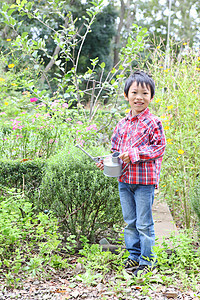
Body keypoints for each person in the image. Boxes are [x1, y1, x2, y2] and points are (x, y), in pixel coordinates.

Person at [96, 70, 166, 277]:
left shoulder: (154, 122)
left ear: (151, 97)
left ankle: (147, 261)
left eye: (145, 93)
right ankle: (133, 256)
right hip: (124, 181)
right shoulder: (121, 124)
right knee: (130, 222)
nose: (139, 97)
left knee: (144, 223)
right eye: (134, 92)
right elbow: (115, 153)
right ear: (126, 95)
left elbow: (159, 148)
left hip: (144, 182)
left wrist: (134, 153)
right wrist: (107, 163)